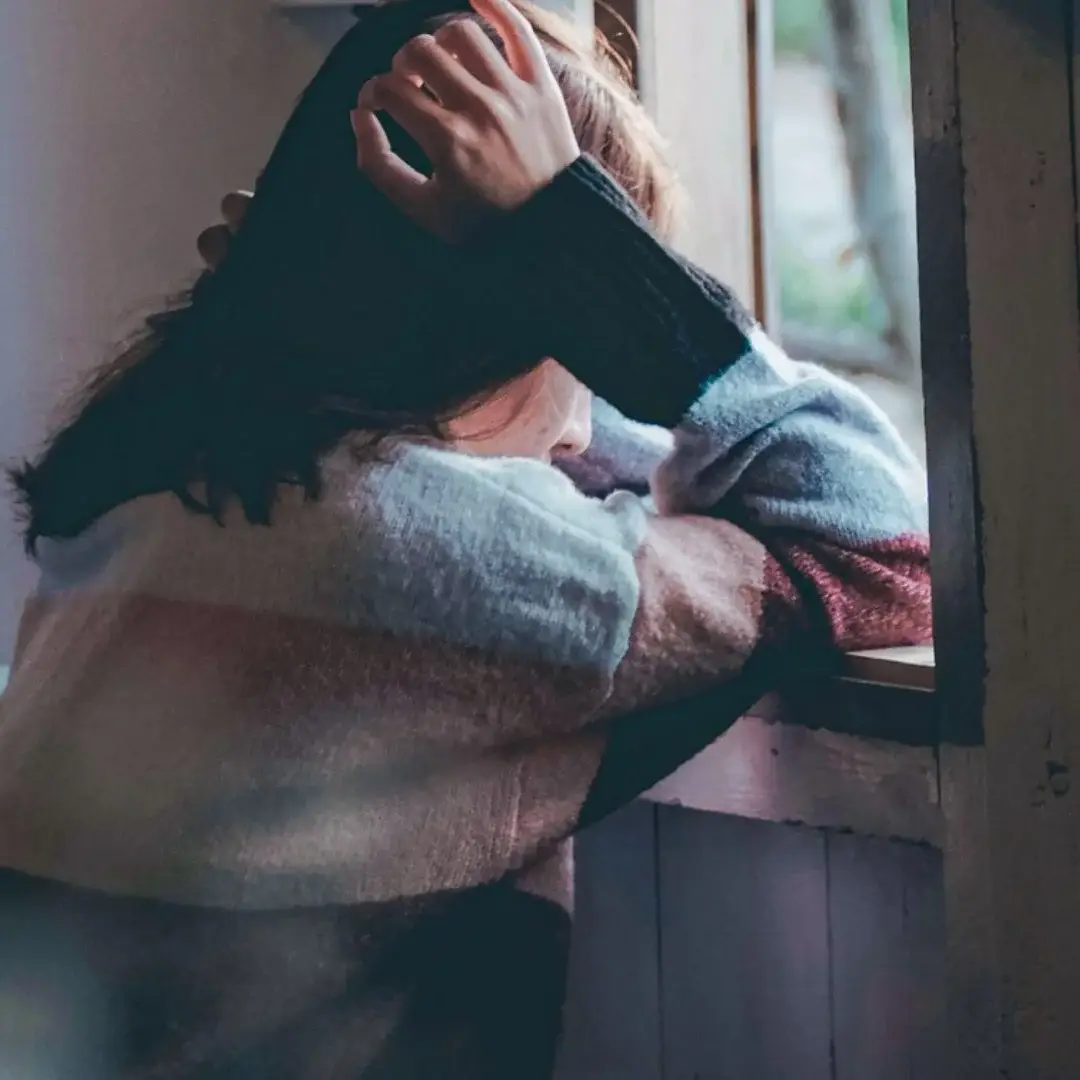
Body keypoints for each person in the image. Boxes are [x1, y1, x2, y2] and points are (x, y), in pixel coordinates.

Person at [0, 0, 931, 1076]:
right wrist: (594, 257)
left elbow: (552, 446)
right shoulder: (457, 559)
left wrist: (283, 286)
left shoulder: (156, 485)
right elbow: (881, 544)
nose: (593, 418)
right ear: (542, 323)